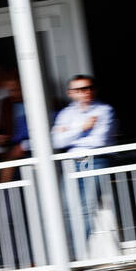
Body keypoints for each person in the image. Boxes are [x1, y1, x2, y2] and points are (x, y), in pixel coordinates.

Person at [51, 74, 117, 254]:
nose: (85, 92)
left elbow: (98, 140)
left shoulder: (104, 110)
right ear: (70, 93)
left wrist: (69, 132)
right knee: (67, 209)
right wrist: (82, 127)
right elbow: (56, 142)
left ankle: (78, 254)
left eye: (88, 88)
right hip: (72, 162)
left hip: (95, 161)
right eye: (79, 89)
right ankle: (68, 254)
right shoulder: (66, 113)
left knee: (87, 208)